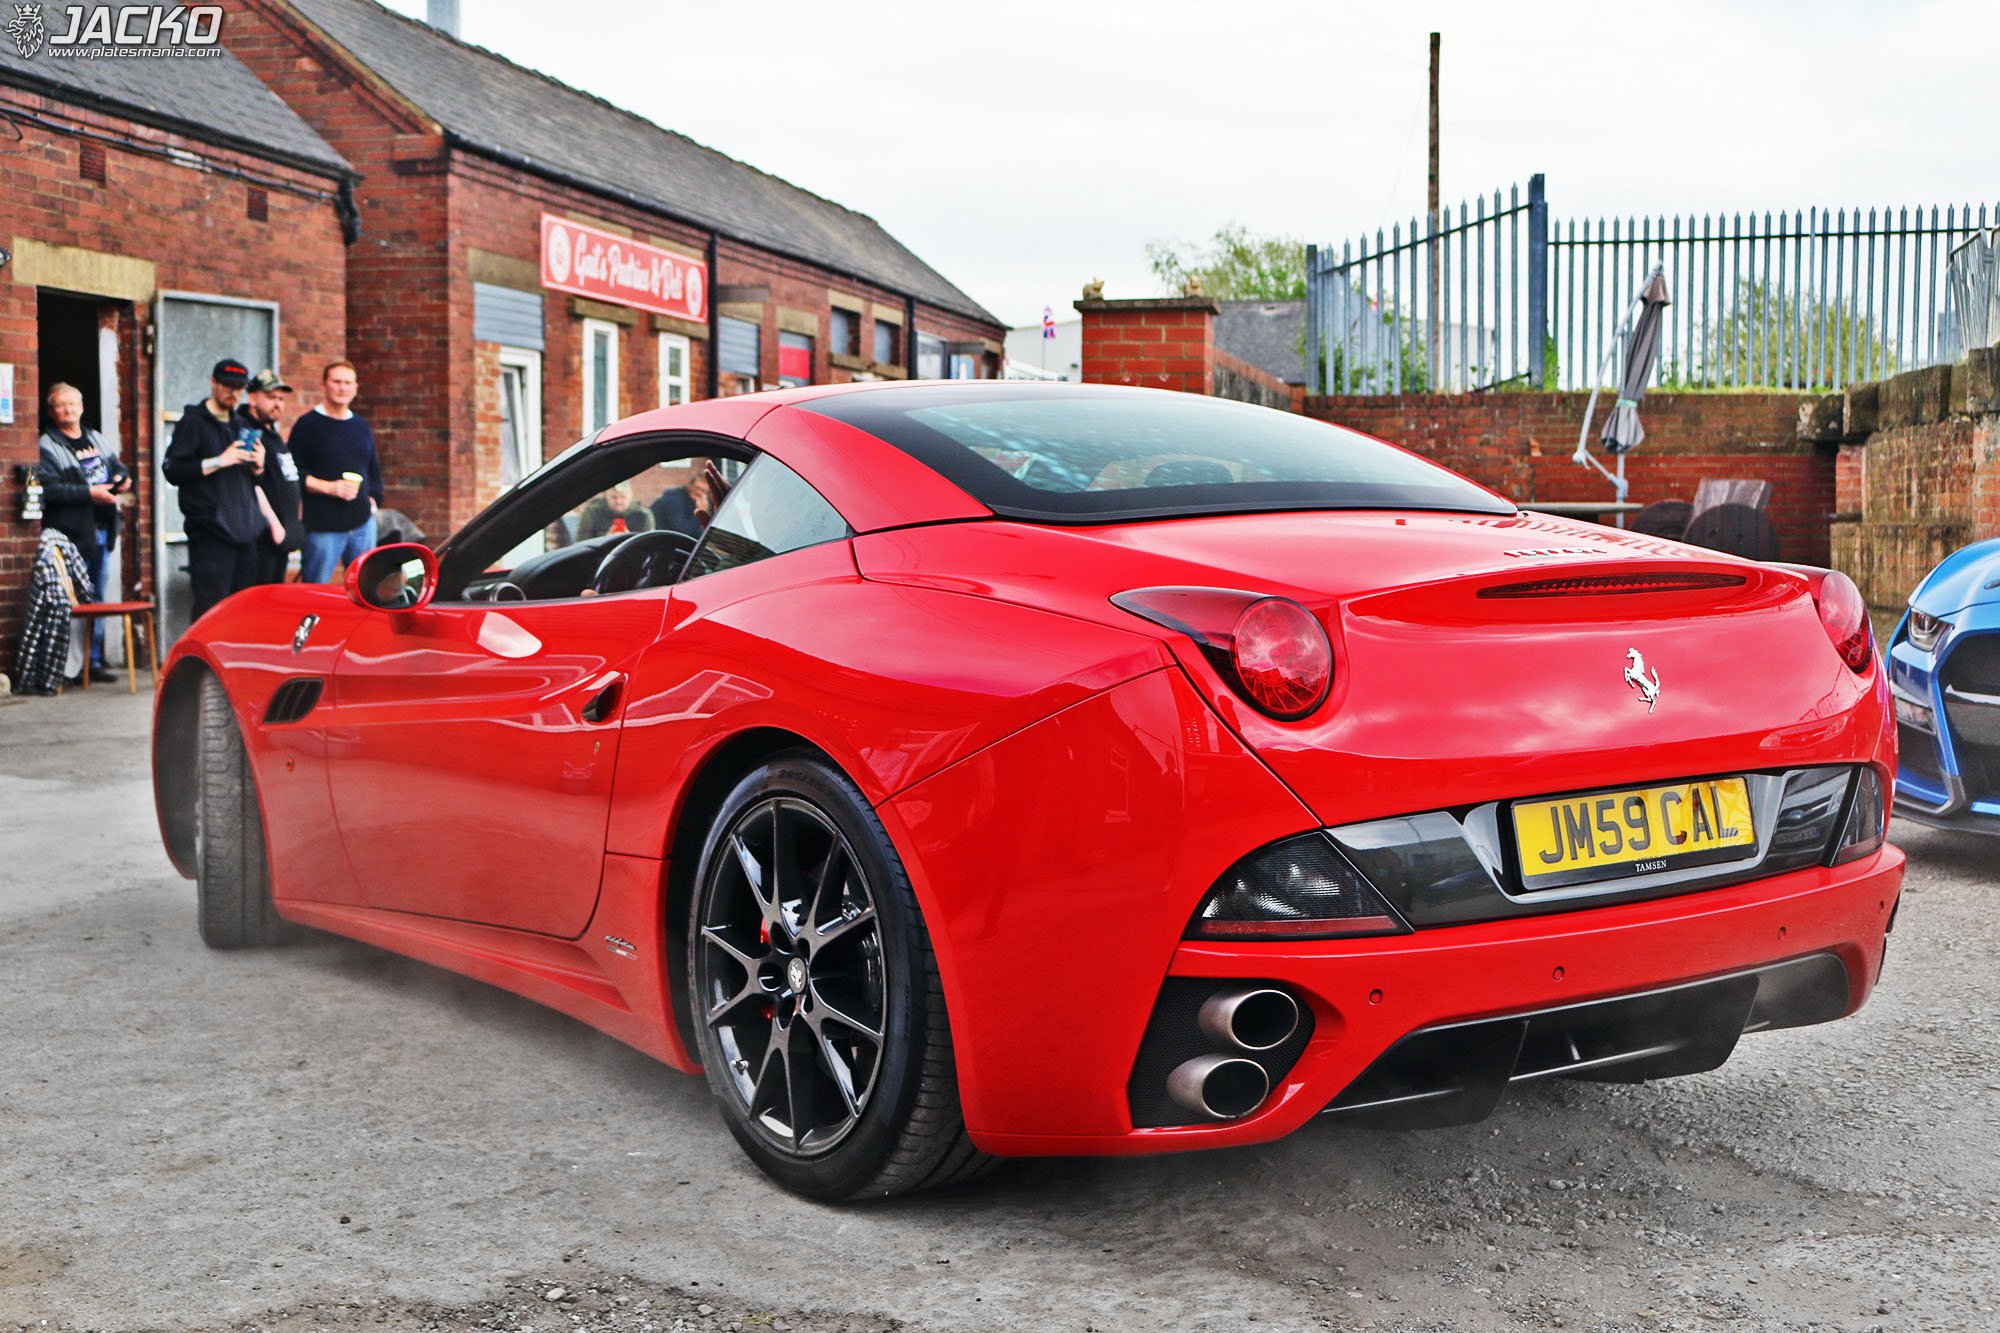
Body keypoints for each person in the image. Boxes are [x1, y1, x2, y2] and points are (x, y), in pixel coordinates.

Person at [35, 382, 131, 682]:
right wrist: (90, 493)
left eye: (73, 404)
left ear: (82, 407)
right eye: (61, 405)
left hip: (102, 530)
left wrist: (122, 479)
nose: (68, 410)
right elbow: (50, 490)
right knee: (70, 600)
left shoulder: (96, 438)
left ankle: (93, 661)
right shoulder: (47, 445)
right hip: (71, 535)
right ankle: (69, 667)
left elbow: (118, 467)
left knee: (96, 597)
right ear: (52, 411)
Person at [161, 359, 264, 623]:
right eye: (228, 386)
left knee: (244, 609)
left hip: (244, 528)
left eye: (239, 388)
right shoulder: (193, 422)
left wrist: (258, 466)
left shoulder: (241, 423)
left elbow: (251, 480)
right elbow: (172, 470)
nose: (234, 393)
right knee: (211, 610)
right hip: (210, 532)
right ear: (213, 382)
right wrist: (219, 461)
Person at [290, 360, 383, 583]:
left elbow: (372, 468)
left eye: (348, 383)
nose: (342, 388)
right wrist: (329, 487)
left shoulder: (361, 426)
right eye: (337, 382)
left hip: (362, 524)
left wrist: (374, 500)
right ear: (324, 385)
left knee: (364, 588)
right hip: (323, 527)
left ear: (356, 388)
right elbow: (292, 473)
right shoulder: (307, 425)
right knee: (316, 588)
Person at [237, 369, 303, 585]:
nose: (278, 404)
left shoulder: (271, 434)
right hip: (262, 538)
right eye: (271, 397)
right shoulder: (247, 431)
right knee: (258, 595)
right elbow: (248, 484)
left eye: (281, 399)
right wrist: (274, 524)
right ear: (253, 398)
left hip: (281, 538)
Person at [649, 462, 718, 538]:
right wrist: (700, 512)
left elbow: (701, 533)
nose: (699, 493)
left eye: (704, 491)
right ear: (690, 486)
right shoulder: (674, 499)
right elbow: (683, 532)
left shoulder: (699, 502)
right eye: (698, 488)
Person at [577, 481, 655, 539]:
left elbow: (649, 545)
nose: (618, 502)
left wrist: (630, 539)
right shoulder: (593, 512)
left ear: (631, 496)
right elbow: (582, 543)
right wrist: (605, 540)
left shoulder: (643, 514)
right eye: (614, 497)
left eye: (623, 497)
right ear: (606, 496)